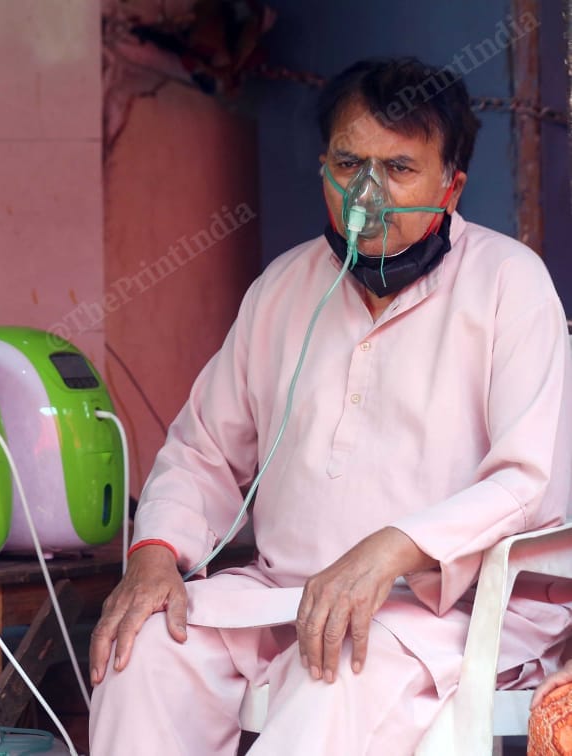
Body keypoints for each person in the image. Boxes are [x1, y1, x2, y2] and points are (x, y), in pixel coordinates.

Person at [88, 56, 572, 755]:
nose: (368, 193)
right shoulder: (283, 290)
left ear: (451, 185)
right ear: (324, 168)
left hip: (444, 610)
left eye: (400, 169)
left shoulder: (508, 284)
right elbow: (203, 451)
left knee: (336, 679)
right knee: (144, 654)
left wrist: (391, 550)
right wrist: (155, 558)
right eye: (350, 165)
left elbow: (523, 483)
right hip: (281, 595)